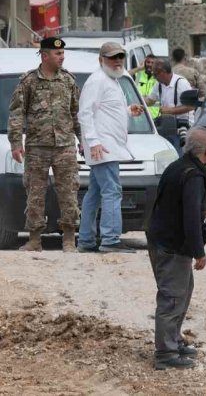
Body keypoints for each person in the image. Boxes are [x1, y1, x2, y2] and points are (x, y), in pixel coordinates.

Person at [146, 126, 206, 371]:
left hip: (164, 241)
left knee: (183, 290)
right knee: (172, 297)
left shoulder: (178, 166)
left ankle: (173, 340)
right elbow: (190, 216)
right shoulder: (192, 175)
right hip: (171, 246)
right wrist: (199, 251)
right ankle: (165, 353)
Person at [8, 38, 82, 253]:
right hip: (37, 147)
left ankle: (69, 239)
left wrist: (83, 140)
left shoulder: (68, 80)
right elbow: (16, 114)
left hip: (65, 146)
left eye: (63, 54)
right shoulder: (29, 81)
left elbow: (76, 113)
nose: (62, 57)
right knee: (35, 193)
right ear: (45, 55)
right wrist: (15, 142)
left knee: (69, 192)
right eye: (58, 54)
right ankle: (34, 239)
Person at [77, 42, 146, 253]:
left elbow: (105, 109)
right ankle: (110, 239)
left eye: (120, 57)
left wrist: (127, 110)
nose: (117, 61)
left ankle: (87, 240)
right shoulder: (97, 80)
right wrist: (93, 141)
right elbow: (85, 113)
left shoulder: (112, 80)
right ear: (101, 60)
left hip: (107, 145)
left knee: (95, 193)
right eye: (112, 57)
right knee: (112, 191)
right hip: (103, 147)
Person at [146, 58, 195, 155]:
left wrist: (170, 111)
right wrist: (138, 103)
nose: (154, 77)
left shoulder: (181, 83)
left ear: (163, 72)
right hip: (167, 127)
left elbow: (191, 106)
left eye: (155, 74)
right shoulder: (159, 84)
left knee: (179, 155)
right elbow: (150, 100)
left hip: (183, 128)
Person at [136, 55, 161, 122]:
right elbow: (123, 76)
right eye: (148, 62)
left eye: (152, 63)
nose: (150, 64)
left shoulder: (159, 77)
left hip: (155, 117)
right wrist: (138, 68)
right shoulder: (138, 74)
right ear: (144, 63)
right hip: (139, 116)